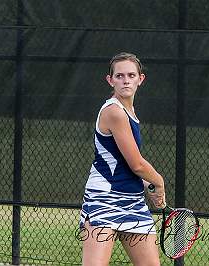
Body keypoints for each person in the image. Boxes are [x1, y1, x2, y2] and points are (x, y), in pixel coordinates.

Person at [79, 52, 166, 266]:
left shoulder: (131, 111)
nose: (125, 80)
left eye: (130, 75)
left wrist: (147, 184)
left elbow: (126, 161)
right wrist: (159, 182)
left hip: (133, 201)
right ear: (110, 80)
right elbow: (137, 163)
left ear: (140, 79)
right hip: (104, 199)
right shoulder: (114, 112)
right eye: (119, 76)